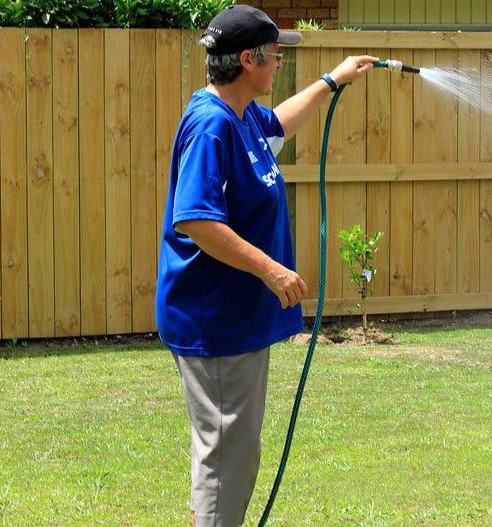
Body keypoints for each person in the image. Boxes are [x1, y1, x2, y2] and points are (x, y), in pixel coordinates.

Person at [154, 5, 379, 527]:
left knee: (231, 451)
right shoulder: (211, 126)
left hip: (235, 319)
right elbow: (196, 220)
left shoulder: (241, 115)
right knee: (228, 456)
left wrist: (331, 81)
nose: (280, 63)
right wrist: (270, 269)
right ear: (250, 59)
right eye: (275, 55)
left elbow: (278, 125)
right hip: (215, 319)